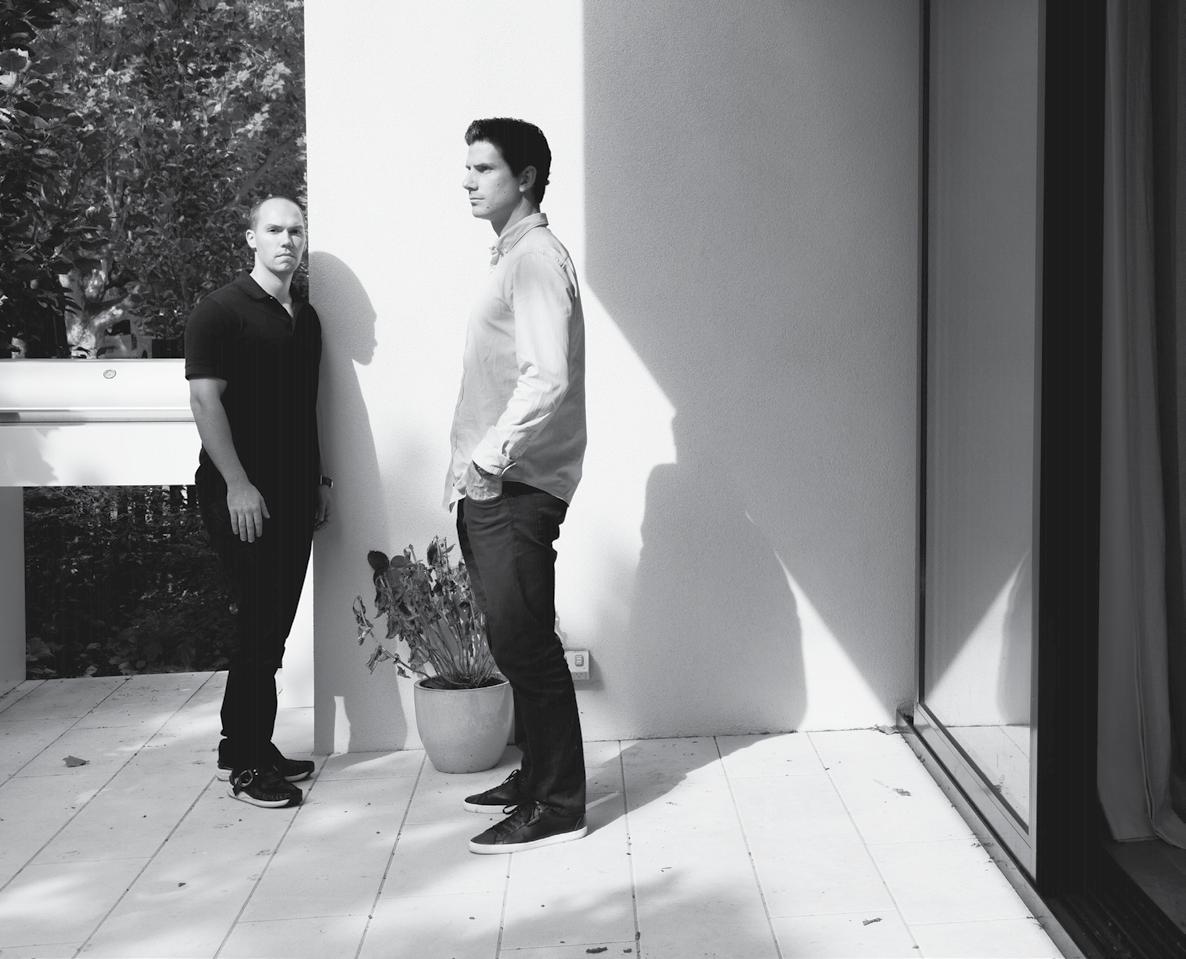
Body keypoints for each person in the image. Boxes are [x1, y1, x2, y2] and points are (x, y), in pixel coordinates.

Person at [447, 117, 588, 853]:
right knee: (517, 641)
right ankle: (537, 776)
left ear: (525, 177)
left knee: (525, 646)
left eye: (484, 169)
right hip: (502, 485)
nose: (467, 180)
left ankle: (558, 805)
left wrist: (487, 461)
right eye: (467, 167)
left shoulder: (533, 260)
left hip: (515, 486)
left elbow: (547, 377)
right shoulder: (514, 257)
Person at [185, 195, 331, 809]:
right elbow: (204, 401)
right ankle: (247, 766)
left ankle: (241, 744)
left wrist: (317, 481)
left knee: (271, 629)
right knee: (256, 627)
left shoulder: (306, 317)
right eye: (274, 230)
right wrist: (237, 483)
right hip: (242, 495)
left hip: (295, 494)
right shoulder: (219, 311)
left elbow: (302, 407)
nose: (286, 240)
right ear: (251, 238)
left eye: (296, 230)